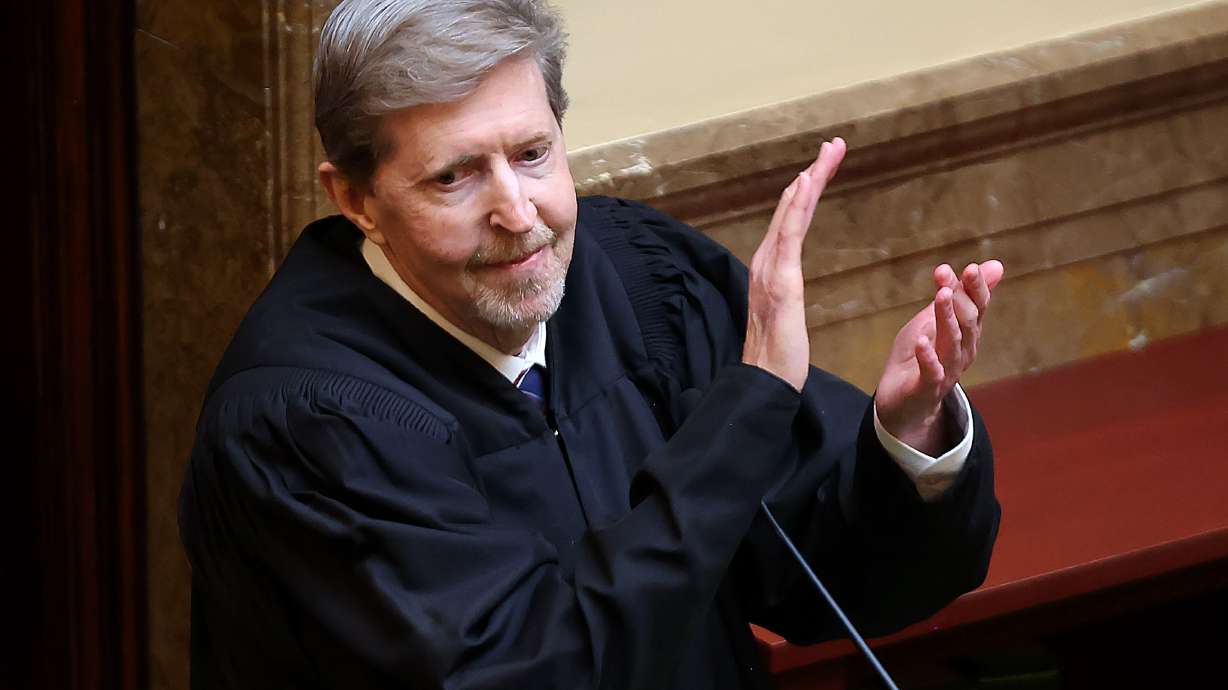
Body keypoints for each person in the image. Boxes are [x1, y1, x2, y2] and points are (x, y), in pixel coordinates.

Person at [179, 1, 1004, 688]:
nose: (518, 213)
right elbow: (527, 668)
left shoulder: (641, 283)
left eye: (533, 154)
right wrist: (749, 407)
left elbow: (827, 576)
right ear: (357, 199)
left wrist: (909, 435)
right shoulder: (307, 426)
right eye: (454, 176)